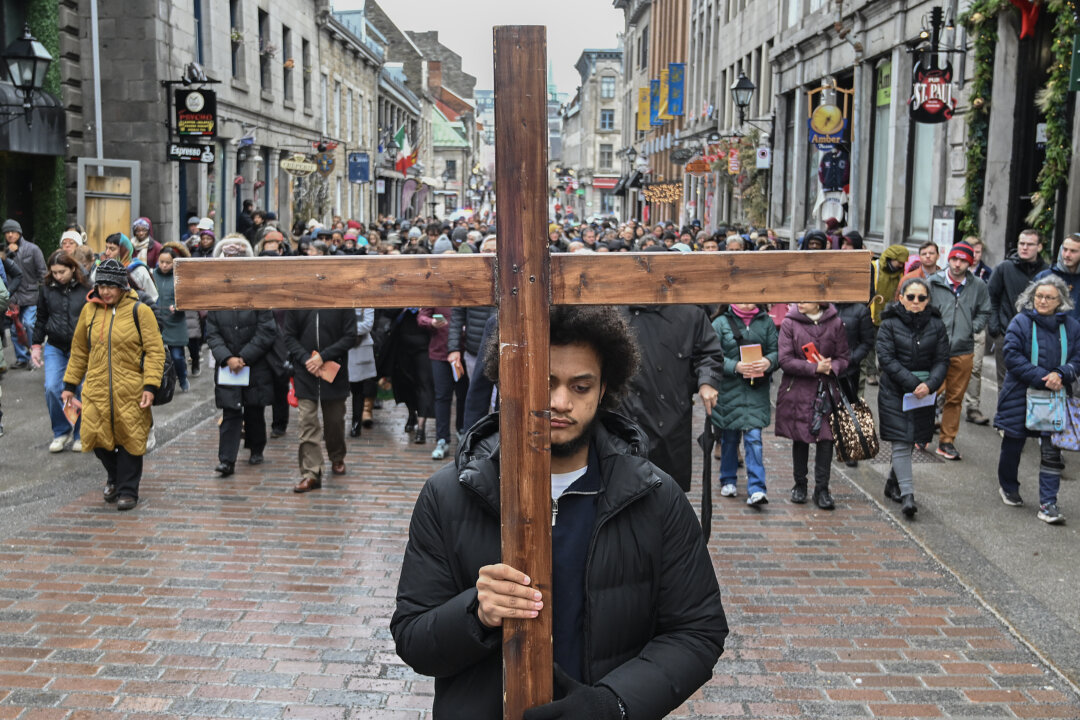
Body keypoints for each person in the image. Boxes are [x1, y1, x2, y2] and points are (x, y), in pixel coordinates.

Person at [391, 305, 728, 720]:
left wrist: (614, 703)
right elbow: (412, 636)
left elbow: (697, 630)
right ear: (512, 379)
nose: (560, 402)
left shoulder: (655, 497)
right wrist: (475, 613)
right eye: (544, 382)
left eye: (581, 387)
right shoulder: (449, 495)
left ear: (604, 389)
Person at [61, 259, 165, 511]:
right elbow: (79, 350)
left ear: (122, 286)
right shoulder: (89, 311)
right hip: (96, 388)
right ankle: (115, 477)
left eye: (111, 286)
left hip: (131, 389)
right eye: (102, 286)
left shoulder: (140, 311)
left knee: (130, 439)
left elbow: (155, 351)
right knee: (95, 437)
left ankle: (127, 490)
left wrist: (150, 386)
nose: (105, 291)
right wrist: (70, 384)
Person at [994, 275, 1080, 524]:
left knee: (1052, 451)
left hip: (1056, 396)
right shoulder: (1020, 322)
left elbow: (1077, 358)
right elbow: (1012, 356)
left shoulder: (1072, 327)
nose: (1042, 301)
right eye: (1039, 296)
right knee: (1013, 444)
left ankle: (1048, 503)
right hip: (1019, 394)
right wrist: (1045, 377)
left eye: (1049, 297)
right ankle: (1008, 486)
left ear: (1060, 301)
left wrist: (1062, 374)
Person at [614, 301, 723, 492]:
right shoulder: (616, 309)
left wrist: (707, 381)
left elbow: (709, 353)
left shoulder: (689, 314)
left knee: (666, 492)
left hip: (670, 418)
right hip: (623, 417)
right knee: (621, 488)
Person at [876, 278, 950, 518]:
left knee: (910, 438)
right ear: (901, 298)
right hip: (894, 391)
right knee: (901, 440)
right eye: (911, 297)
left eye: (921, 298)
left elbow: (942, 360)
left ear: (928, 300)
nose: (916, 302)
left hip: (923, 394)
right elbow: (886, 359)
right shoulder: (889, 324)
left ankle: (892, 482)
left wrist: (930, 385)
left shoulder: (937, 325)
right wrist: (913, 383)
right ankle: (908, 495)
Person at [776, 301, 851, 509]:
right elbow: (785, 359)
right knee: (800, 437)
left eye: (806, 298)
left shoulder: (835, 323)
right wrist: (814, 367)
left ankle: (822, 489)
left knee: (826, 439)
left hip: (827, 389)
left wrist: (832, 366)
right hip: (798, 389)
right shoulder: (790, 323)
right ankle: (800, 484)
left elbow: (844, 357)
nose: (800, 302)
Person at [927, 241, 991, 461]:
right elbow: (922, 309)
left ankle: (947, 441)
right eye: (954, 259)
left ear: (970, 263)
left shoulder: (978, 285)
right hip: (935, 349)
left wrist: (971, 328)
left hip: (963, 349)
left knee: (955, 398)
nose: (957, 264)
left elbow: (985, 311)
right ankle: (921, 433)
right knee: (928, 392)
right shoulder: (933, 282)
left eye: (963, 260)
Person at [710, 303, 778, 506]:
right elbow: (712, 355)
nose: (746, 303)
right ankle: (728, 478)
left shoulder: (766, 322)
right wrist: (735, 366)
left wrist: (768, 362)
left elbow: (776, 351)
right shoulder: (720, 323)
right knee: (729, 437)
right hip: (729, 390)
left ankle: (757, 488)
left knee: (754, 438)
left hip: (756, 390)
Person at [283, 305, 357, 492]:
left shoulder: (341, 302)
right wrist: (306, 360)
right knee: (307, 422)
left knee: (334, 420)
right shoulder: (297, 301)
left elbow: (350, 336)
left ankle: (337, 455)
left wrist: (323, 357)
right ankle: (311, 472)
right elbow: (289, 336)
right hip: (305, 371)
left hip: (334, 370)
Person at [206, 301, 278, 477]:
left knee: (254, 408)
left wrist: (244, 357)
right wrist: (227, 358)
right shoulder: (217, 304)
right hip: (228, 367)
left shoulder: (258, 300)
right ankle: (227, 460)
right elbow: (213, 334)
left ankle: (256, 447)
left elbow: (266, 331)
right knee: (230, 410)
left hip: (255, 364)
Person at [31, 251, 91, 452]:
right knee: (52, 387)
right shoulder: (46, 289)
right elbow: (41, 318)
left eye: (62, 272)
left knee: (81, 389)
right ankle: (61, 431)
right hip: (55, 345)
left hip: (81, 347)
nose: (58, 276)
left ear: (73, 268)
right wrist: (36, 346)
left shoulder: (87, 288)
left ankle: (81, 433)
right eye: (54, 272)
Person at [988, 230, 1047, 397]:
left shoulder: (1047, 272)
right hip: (1006, 333)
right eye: (1022, 243)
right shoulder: (1004, 268)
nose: (1024, 247)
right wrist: (995, 328)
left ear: (1039, 247)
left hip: (1037, 336)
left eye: (1030, 244)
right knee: (1005, 384)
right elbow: (991, 297)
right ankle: (1003, 414)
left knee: (1032, 382)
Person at [4, 218, 46, 370]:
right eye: (7, 232)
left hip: (30, 295)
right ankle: (22, 358)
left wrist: (45, 293)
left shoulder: (33, 249)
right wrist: (8, 253)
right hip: (13, 297)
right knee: (14, 330)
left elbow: (42, 272)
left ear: (19, 233)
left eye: (13, 231)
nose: (10, 234)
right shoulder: (3, 252)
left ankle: (33, 357)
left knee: (28, 324)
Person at [867, 244, 911, 385]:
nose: (901, 265)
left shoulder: (901, 274)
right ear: (891, 258)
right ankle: (871, 372)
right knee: (870, 345)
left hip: (889, 315)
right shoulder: (875, 267)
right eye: (899, 262)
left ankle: (883, 370)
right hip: (872, 313)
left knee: (886, 346)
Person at [151, 243, 191, 392]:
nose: (164, 265)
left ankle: (183, 378)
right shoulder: (152, 275)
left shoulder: (180, 277)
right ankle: (161, 385)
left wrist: (177, 306)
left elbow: (187, 298)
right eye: (161, 262)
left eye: (168, 262)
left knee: (177, 356)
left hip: (175, 322)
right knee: (157, 357)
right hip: (156, 322)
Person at [965, 237, 995, 425]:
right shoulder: (951, 271)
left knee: (975, 368)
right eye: (972, 251)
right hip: (953, 328)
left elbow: (988, 304)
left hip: (976, 328)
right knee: (948, 367)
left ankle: (973, 407)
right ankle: (939, 407)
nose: (975, 256)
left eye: (978, 252)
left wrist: (977, 325)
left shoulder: (987, 273)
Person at [346, 308, 377, 438]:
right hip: (340, 348)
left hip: (359, 348)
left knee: (357, 389)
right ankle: (335, 423)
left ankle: (356, 423)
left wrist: (346, 329)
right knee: (337, 388)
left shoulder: (366, 304)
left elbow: (368, 324)